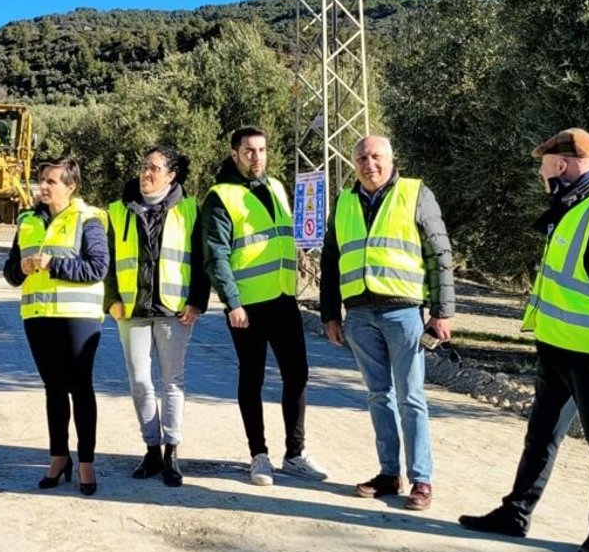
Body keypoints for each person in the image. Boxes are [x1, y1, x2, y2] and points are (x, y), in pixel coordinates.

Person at [458, 128, 589, 552]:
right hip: (558, 349)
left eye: (544, 165)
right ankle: (515, 514)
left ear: (563, 165)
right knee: (541, 437)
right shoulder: (571, 208)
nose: (540, 173)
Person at [320, 135, 455, 512]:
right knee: (379, 395)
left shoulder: (415, 193)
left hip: (403, 312)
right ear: (354, 163)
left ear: (392, 159)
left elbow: (439, 253)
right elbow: (330, 260)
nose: (369, 164)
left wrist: (442, 311)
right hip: (359, 314)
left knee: (411, 397)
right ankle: (389, 474)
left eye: (376, 157)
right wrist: (329, 313)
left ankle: (421, 479)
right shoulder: (344, 202)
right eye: (362, 158)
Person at [202, 126, 328, 486]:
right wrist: (232, 302)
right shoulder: (221, 196)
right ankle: (258, 455)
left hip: (284, 298)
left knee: (297, 374)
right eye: (249, 151)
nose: (256, 156)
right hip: (247, 305)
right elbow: (216, 255)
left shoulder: (276, 187)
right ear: (234, 154)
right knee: (252, 378)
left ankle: (295, 453)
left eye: (262, 149)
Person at [103, 145, 210, 487]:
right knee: (139, 381)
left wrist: (197, 302)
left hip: (173, 309)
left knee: (172, 381)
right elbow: (108, 260)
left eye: (154, 168)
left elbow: (203, 261)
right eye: (143, 166)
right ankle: (151, 448)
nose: (145, 173)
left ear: (171, 175)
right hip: (131, 308)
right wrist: (110, 299)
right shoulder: (118, 210)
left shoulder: (191, 210)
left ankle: (171, 452)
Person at [3, 157, 109, 496]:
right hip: (38, 317)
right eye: (42, 180)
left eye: (51, 181)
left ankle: (87, 462)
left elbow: (98, 268)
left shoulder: (89, 219)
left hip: (78, 317)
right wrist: (21, 267)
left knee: (81, 387)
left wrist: (53, 265)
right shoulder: (27, 221)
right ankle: (59, 457)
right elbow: (10, 274)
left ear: (71, 186)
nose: (43, 187)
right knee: (53, 388)